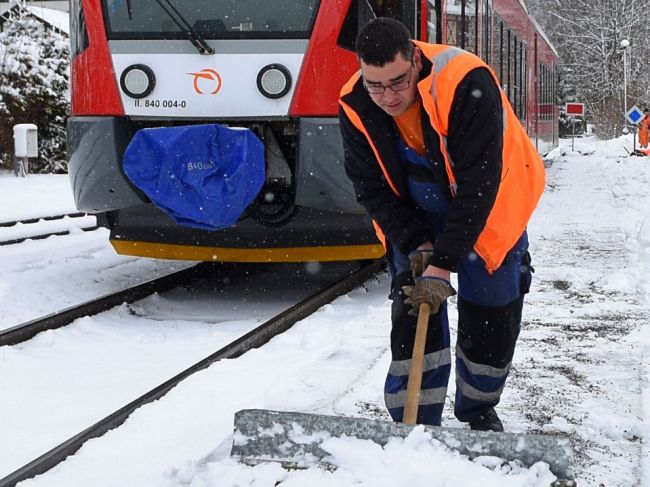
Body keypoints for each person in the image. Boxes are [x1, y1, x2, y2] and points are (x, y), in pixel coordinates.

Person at [338, 18, 545, 431]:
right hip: (415, 211)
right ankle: (414, 419)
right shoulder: (356, 101)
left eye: (398, 82)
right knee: (413, 311)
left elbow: (480, 185)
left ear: (415, 58)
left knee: (490, 313)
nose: (388, 97)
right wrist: (417, 243)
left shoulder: (465, 82)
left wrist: (444, 262)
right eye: (375, 85)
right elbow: (370, 187)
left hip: (489, 210)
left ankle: (479, 410)